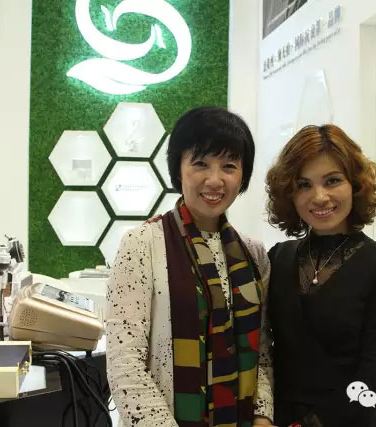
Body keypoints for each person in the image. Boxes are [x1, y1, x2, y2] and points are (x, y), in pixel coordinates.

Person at [106, 106, 275, 427]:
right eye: (200, 164)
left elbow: (262, 351)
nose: (215, 180)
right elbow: (125, 362)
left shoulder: (254, 254)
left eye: (229, 166)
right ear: (178, 169)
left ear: (243, 175)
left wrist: (262, 415)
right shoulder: (141, 244)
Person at [265, 124, 376, 427]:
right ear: (289, 193)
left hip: (351, 419)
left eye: (332, 181)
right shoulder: (278, 257)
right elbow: (264, 351)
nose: (319, 196)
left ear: (355, 185)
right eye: (304, 185)